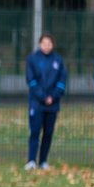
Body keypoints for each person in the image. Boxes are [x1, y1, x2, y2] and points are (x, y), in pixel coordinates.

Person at [26, 33, 66, 170]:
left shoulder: (58, 60)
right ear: (39, 44)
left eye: (49, 43)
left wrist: (53, 97)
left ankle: (43, 161)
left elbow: (62, 81)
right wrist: (43, 96)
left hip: (52, 105)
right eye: (44, 43)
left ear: (53, 45)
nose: (47, 46)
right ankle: (31, 160)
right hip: (36, 103)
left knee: (48, 133)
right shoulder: (32, 59)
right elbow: (31, 81)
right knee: (35, 131)